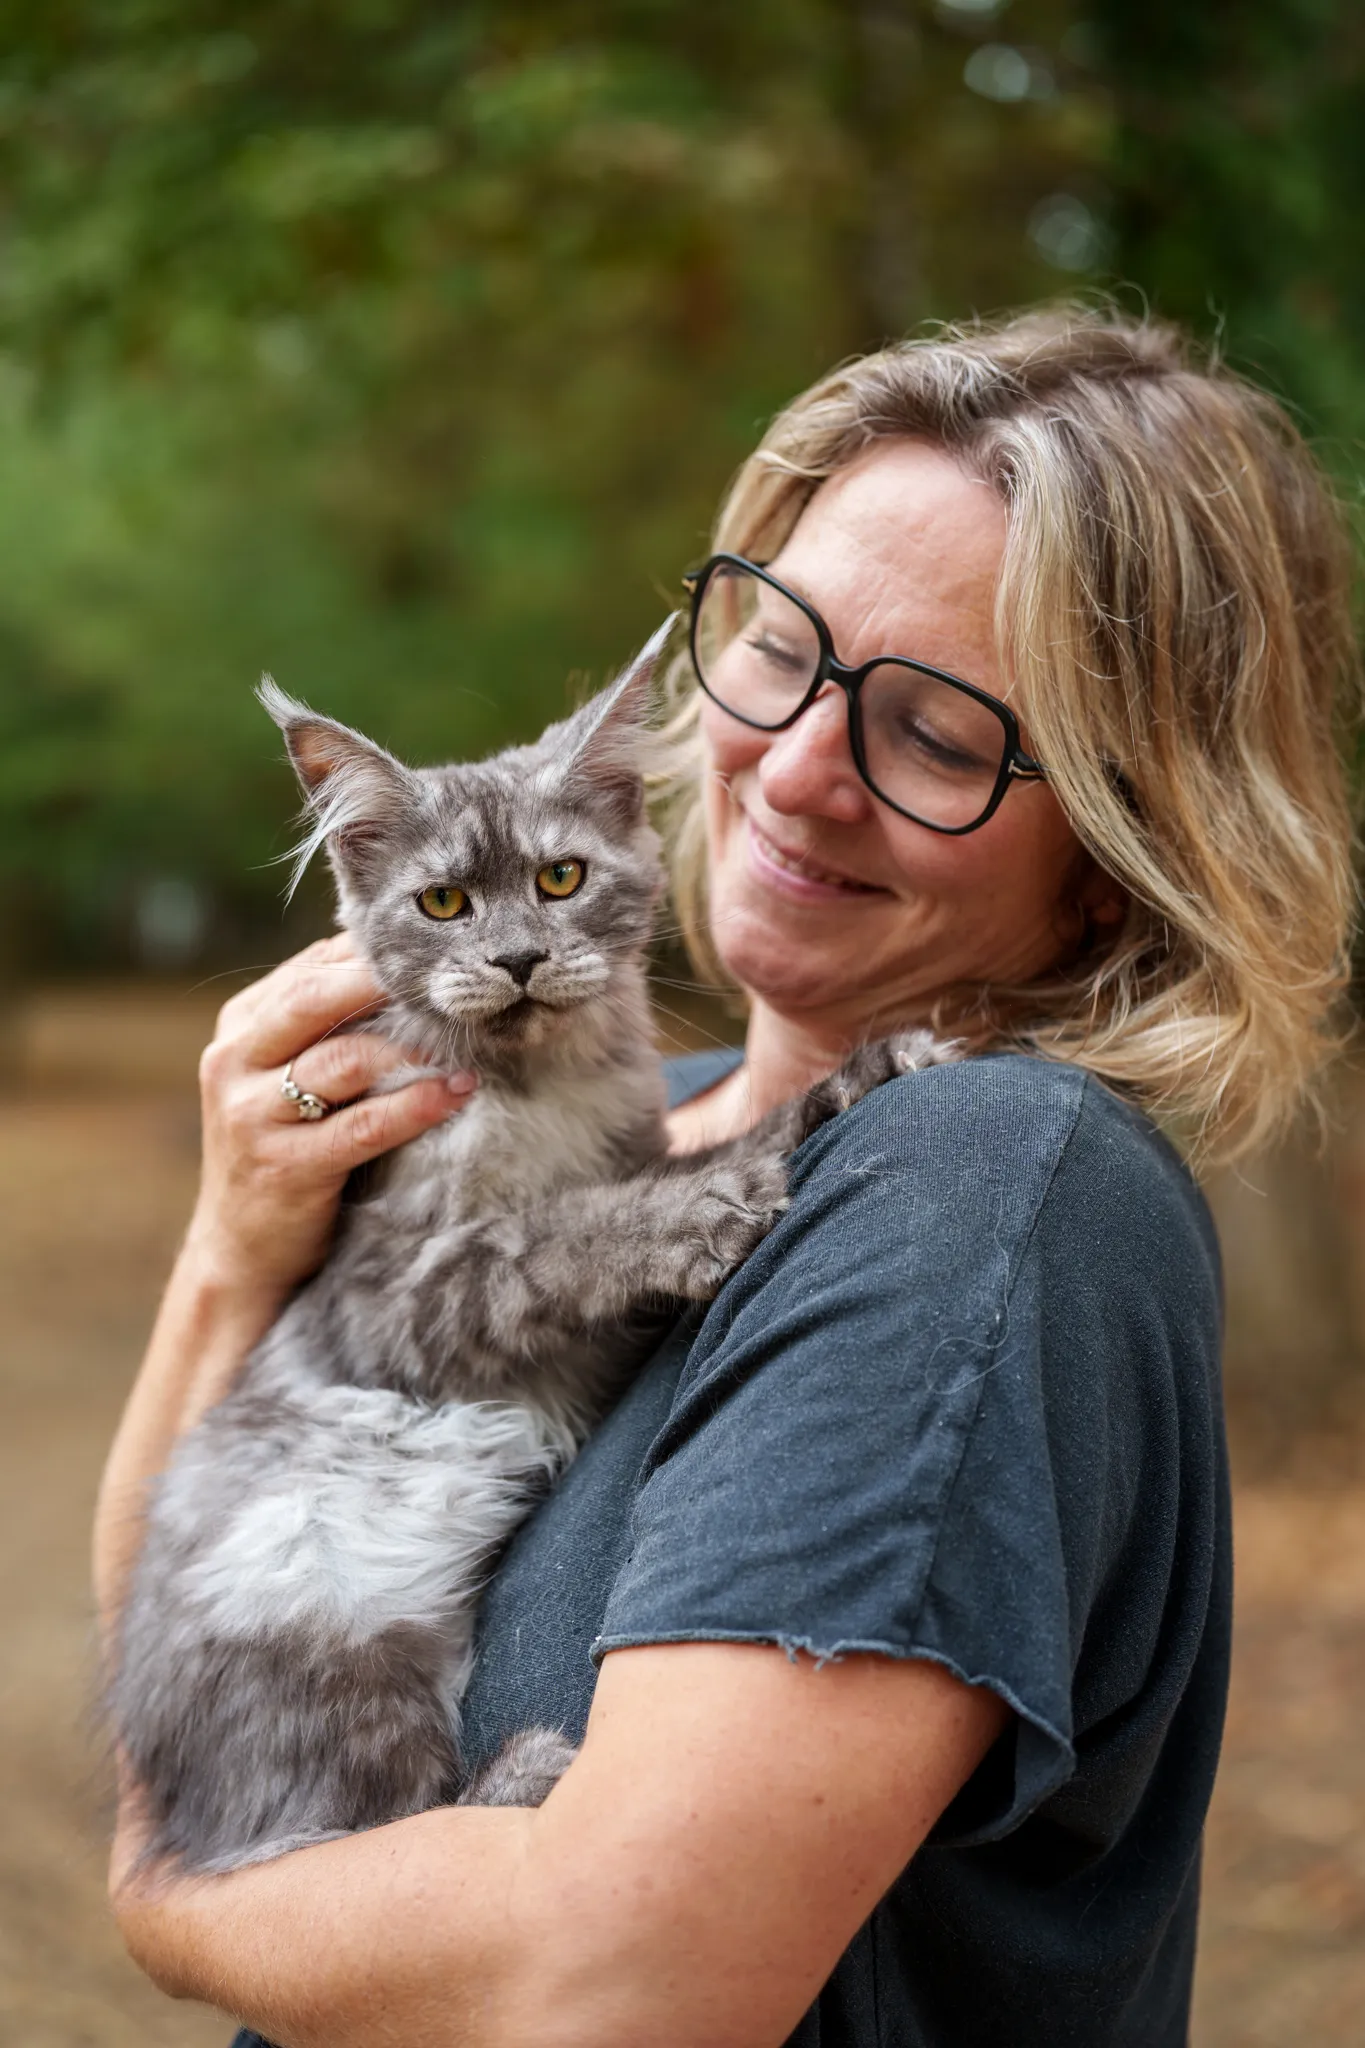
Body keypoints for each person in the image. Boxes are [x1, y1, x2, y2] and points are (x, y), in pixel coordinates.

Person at [97, 308, 1357, 2048]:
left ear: (1121, 857)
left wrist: (183, 1903)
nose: (804, 769)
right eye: (785, 649)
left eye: (938, 734)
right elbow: (192, 1625)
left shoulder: (977, 1185)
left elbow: (614, 1989)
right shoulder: (627, 1119)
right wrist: (238, 1251)